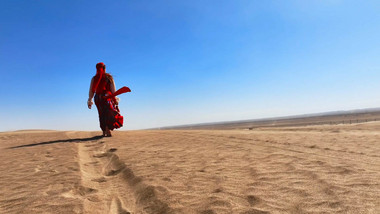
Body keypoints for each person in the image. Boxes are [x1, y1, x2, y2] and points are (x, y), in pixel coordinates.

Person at [87, 62, 123, 137]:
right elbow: (113, 90)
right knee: (109, 113)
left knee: (101, 114)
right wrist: (115, 99)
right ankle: (107, 129)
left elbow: (91, 91)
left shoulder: (94, 78)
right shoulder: (109, 77)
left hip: (97, 98)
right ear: (104, 68)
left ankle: (104, 131)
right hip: (107, 98)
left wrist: (90, 100)